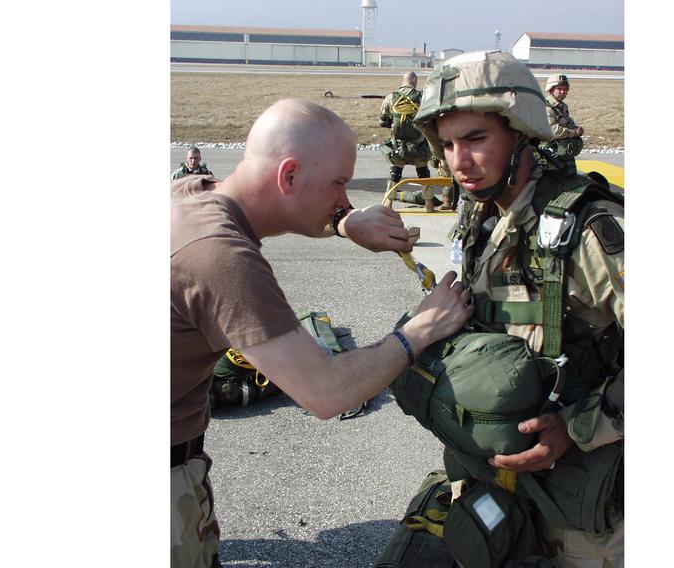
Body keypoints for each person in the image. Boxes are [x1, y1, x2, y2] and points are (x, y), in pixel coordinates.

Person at [170, 98, 474, 568]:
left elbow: (278, 206)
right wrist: (420, 329)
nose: (344, 197)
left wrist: (344, 222)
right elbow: (327, 392)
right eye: (339, 184)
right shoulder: (222, 258)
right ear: (289, 175)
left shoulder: (191, 193)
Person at [408, 50, 625, 567]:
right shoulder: (480, 218)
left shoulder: (586, 228)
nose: (459, 161)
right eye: (448, 144)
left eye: (476, 139)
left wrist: (576, 428)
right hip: (493, 480)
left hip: (578, 497)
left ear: (520, 133)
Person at [379, 71, 435, 212]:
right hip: (419, 151)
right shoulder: (422, 97)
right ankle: (429, 203)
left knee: (395, 172)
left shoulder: (391, 97)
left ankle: (388, 203)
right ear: (414, 80)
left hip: (398, 151)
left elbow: (383, 121)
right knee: (423, 173)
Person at [543, 74, 584, 173]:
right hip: (549, 154)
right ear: (551, 89)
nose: (563, 91)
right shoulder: (546, 107)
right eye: (559, 88)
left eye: (565, 89)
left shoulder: (562, 106)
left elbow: (567, 122)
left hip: (563, 153)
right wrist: (573, 133)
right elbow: (553, 131)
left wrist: (576, 129)